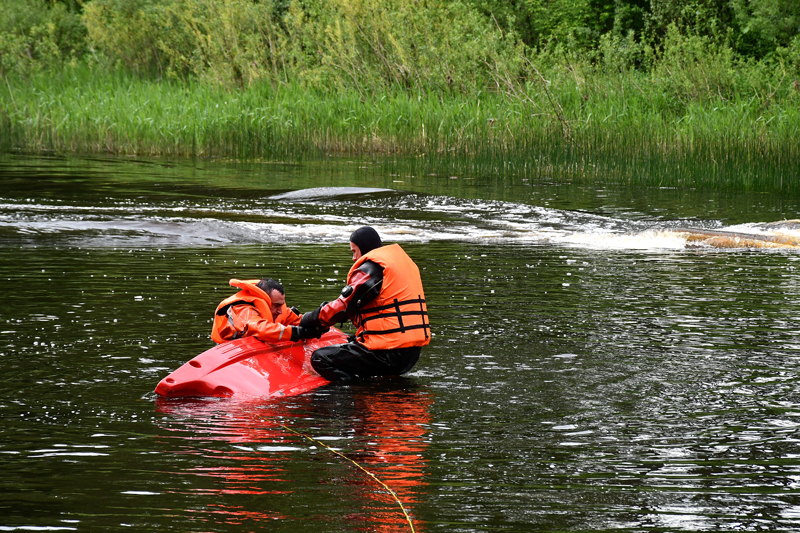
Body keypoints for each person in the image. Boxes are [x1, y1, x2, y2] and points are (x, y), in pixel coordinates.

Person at [300, 226, 430, 381]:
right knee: (351, 341)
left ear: (364, 248)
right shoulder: (398, 265)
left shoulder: (372, 268)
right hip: (411, 352)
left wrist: (310, 318)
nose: (354, 258)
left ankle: (356, 393)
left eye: (354, 251)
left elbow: (344, 307)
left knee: (320, 358)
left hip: (389, 353)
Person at [211, 278, 321, 344]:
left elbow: (299, 321)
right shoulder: (243, 309)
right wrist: (298, 333)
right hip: (231, 350)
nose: (280, 311)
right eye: (276, 306)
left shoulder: (278, 310)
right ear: (265, 301)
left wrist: (318, 319)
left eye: (281, 305)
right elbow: (260, 329)